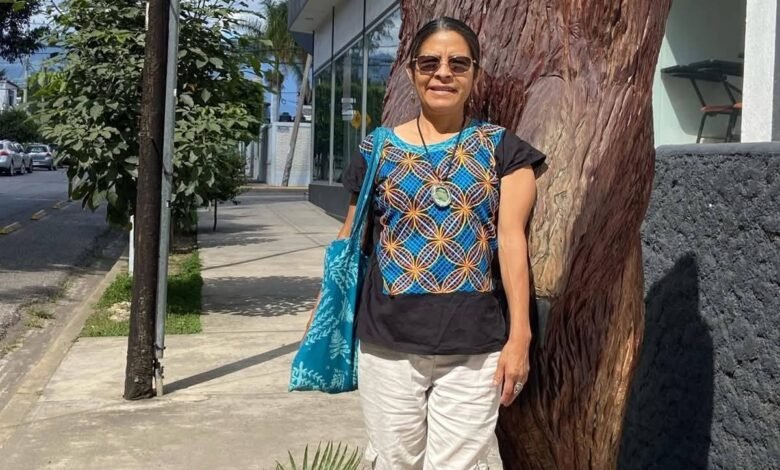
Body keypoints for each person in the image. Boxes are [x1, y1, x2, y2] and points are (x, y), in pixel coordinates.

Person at [309, 16, 546, 469]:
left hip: (475, 346)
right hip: (388, 344)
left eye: (458, 63)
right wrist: (325, 312)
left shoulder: (504, 150)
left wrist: (521, 336)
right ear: (411, 71)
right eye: (429, 63)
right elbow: (349, 238)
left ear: (475, 73)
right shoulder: (376, 149)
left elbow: (512, 241)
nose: (443, 73)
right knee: (393, 462)